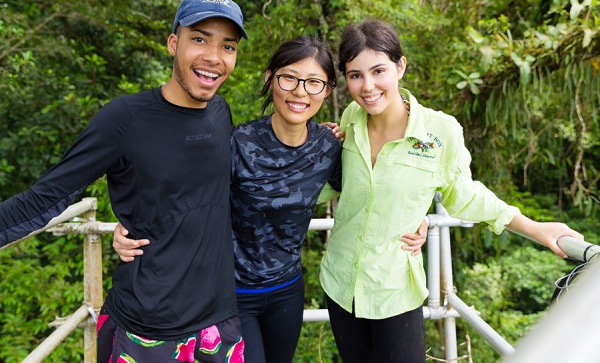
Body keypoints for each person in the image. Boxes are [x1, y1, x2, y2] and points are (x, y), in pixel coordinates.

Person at [112, 36, 431, 362]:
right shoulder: (238, 143)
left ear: (327, 89)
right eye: (289, 78)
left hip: (286, 293)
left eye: (314, 82)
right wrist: (131, 226)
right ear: (270, 78)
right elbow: (184, 195)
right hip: (230, 294)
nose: (300, 91)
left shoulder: (330, 147)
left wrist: (418, 220)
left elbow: (373, 189)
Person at [0, 0, 249, 362]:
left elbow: (199, 193)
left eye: (227, 46)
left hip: (219, 324)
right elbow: (48, 195)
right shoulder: (123, 119)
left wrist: (322, 136)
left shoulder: (221, 112)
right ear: (172, 43)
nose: (213, 57)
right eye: (199, 38)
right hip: (146, 329)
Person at [318, 19, 585, 363]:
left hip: (393, 289)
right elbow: (341, 185)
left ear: (400, 67)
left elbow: (466, 195)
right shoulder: (352, 118)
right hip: (341, 285)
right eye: (355, 75)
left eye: (378, 71)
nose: (367, 86)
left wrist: (535, 227)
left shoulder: (439, 131)